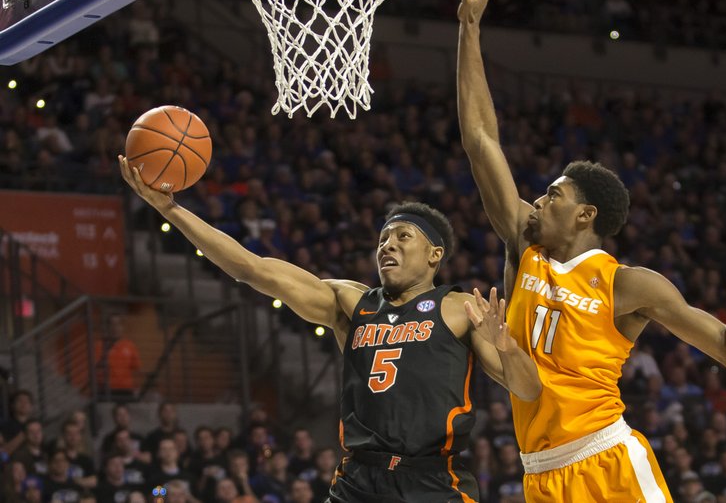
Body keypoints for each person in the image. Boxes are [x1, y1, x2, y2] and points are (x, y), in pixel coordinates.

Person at [456, 0, 726, 502]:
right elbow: (481, 140)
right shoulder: (525, 244)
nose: (537, 199)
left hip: (606, 462)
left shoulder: (628, 284)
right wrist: (469, 29)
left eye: (553, 194)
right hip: (539, 473)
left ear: (586, 215)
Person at [119, 155, 542, 502]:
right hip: (359, 480)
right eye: (382, 239)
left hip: (432, 482)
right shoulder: (351, 303)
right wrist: (170, 209)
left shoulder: (460, 308)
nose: (387, 245)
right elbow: (251, 268)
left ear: (435, 254)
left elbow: (527, 390)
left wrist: (507, 348)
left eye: (402, 236)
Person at [95, 314, 142, 399]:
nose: (115, 328)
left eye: (118, 324)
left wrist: (137, 387)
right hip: (106, 390)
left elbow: (136, 369)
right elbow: (96, 367)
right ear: (108, 327)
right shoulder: (100, 345)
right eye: (112, 325)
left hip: (126, 390)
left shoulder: (130, 345)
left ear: (122, 327)